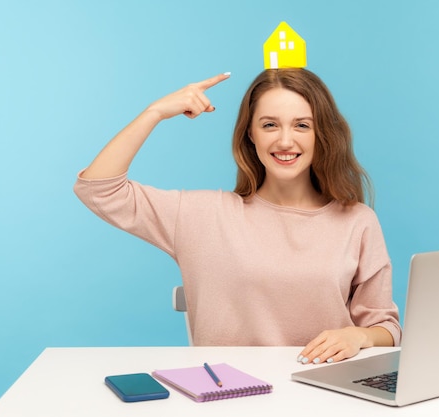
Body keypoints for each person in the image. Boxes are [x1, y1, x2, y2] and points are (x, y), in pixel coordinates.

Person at [74, 68, 401, 365]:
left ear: (322, 134)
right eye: (269, 125)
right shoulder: (200, 215)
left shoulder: (358, 220)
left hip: (325, 393)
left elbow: (385, 326)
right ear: (250, 134)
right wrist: (155, 112)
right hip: (230, 397)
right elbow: (98, 189)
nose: (285, 141)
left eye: (302, 125)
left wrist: (358, 335)